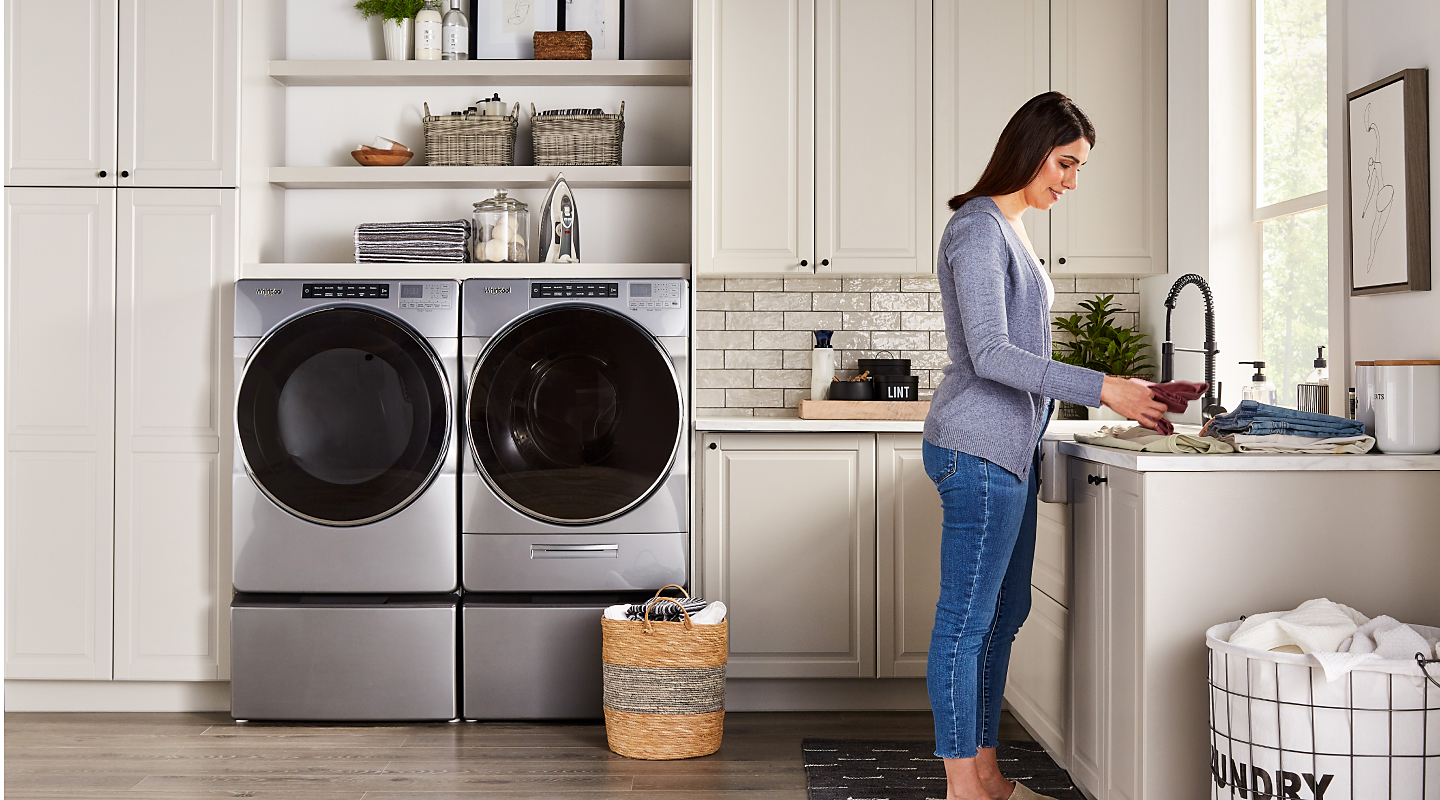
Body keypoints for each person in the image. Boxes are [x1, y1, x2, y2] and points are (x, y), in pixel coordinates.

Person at [922, 91, 1167, 800]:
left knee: (1006, 612)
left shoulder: (1012, 227)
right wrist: (1104, 387)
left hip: (1010, 452)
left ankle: (989, 773)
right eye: (1065, 163)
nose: (1071, 181)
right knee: (967, 620)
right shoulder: (977, 229)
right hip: (975, 447)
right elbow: (993, 353)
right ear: (1030, 149)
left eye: (1079, 167)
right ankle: (963, 785)